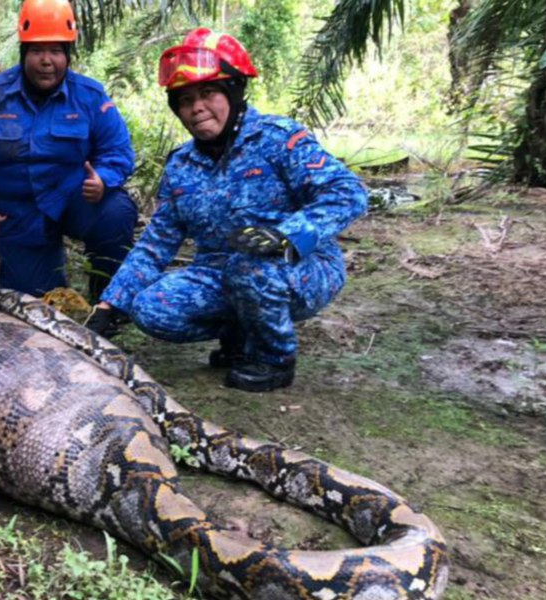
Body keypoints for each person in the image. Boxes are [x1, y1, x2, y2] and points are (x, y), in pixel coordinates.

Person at [86, 28, 368, 392]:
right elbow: (156, 244)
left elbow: (348, 193)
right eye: (185, 100)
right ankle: (241, 335)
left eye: (208, 93)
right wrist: (111, 305)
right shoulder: (181, 166)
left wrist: (287, 236)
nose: (196, 107)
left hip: (302, 267)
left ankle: (273, 358)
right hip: (220, 271)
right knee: (151, 308)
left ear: (233, 92)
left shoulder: (278, 139)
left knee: (250, 268)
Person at [0, 0, 138, 300]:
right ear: (24, 53)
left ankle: (107, 302)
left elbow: (119, 150)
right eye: (37, 50)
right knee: (34, 306)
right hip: (18, 214)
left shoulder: (89, 96)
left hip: (75, 200)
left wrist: (103, 178)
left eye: (56, 50)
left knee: (116, 212)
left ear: (67, 54)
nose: (46, 60)